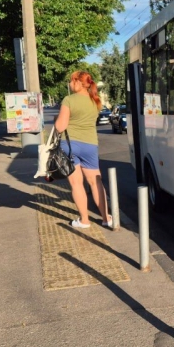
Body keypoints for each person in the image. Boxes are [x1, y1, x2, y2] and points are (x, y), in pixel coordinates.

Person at [54, 71, 112, 229]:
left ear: (77, 82)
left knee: (76, 184)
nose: (69, 84)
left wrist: (56, 121)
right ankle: (106, 218)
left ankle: (84, 220)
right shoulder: (95, 101)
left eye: (71, 81)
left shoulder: (69, 100)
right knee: (96, 182)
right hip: (90, 145)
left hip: (70, 145)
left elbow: (60, 126)